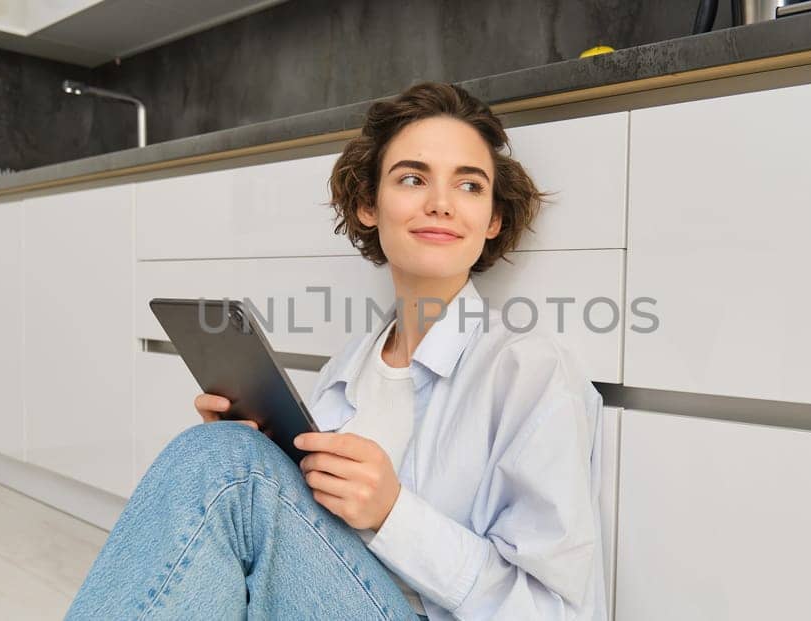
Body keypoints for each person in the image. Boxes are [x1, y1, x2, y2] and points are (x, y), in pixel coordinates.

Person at [66, 81, 606, 620]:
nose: (441, 204)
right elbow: (296, 536)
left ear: (491, 220)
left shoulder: (528, 371)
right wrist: (253, 450)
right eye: (413, 179)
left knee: (227, 467)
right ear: (369, 204)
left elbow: (553, 609)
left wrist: (393, 515)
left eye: (469, 186)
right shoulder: (345, 371)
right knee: (226, 451)